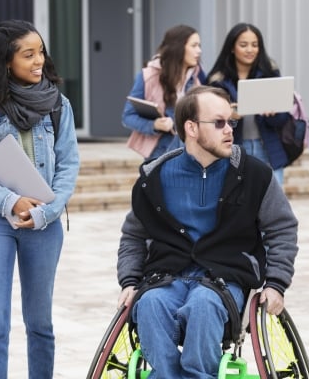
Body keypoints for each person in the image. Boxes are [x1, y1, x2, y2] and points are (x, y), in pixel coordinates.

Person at [116, 85, 299, 378]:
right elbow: (133, 236)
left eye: (231, 122)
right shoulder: (155, 176)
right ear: (191, 127)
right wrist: (129, 280)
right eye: (219, 123)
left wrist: (276, 283)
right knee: (149, 303)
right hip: (167, 276)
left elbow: (281, 229)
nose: (229, 130)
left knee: (203, 304)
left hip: (225, 278)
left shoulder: (254, 175)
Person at [0, 20, 80, 378]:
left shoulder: (59, 104)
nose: (39, 60)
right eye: (29, 54)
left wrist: (46, 212)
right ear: (6, 61)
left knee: (40, 323)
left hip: (45, 223)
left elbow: (69, 164)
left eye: (41, 52)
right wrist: (10, 201)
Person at [207, 23, 291, 185]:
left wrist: (272, 114)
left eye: (255, 45)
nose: (250, 50)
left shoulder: (270, 74)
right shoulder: (217, 80)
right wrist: (228, 116)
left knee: (273, 204)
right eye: (243, 45)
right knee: (237, 203)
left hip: (267, 147)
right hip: (232, 148)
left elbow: (283, 119)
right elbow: (208, 121)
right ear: (232, 47)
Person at [122, 24, 203, 159]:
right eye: (194, 46)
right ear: (178, 47)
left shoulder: (196, 78)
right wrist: (154, 125)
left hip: (191, 154)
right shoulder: (148, 76)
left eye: (199, 46)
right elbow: (128, 117)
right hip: (160, 153)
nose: (199, 51)